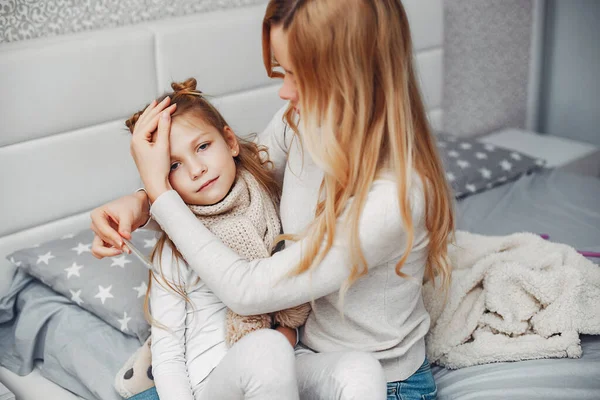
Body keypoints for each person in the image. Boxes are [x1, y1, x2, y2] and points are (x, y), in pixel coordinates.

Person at [91, 1, 454, 399]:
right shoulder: (299, 122)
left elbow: (248, 291)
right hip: (297, 358)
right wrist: (141, 201)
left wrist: (159, 191)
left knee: (319, 363)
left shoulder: (392, 198)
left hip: (383, 381)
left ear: (350, 76)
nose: (284, 92)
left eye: (299, 75)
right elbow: (238, 175)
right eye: (283, 71)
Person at [121, 78, 315, 400]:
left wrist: (289, 335)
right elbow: (168, 356)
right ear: (160, 181)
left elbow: (286, 302)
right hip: (216, 384)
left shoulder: (269, 201)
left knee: (356, 368)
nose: (196, 169)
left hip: (285, 368)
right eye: (174, 165)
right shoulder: (176, 247)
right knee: (265, 347)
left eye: (202, 147)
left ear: (230, 141)